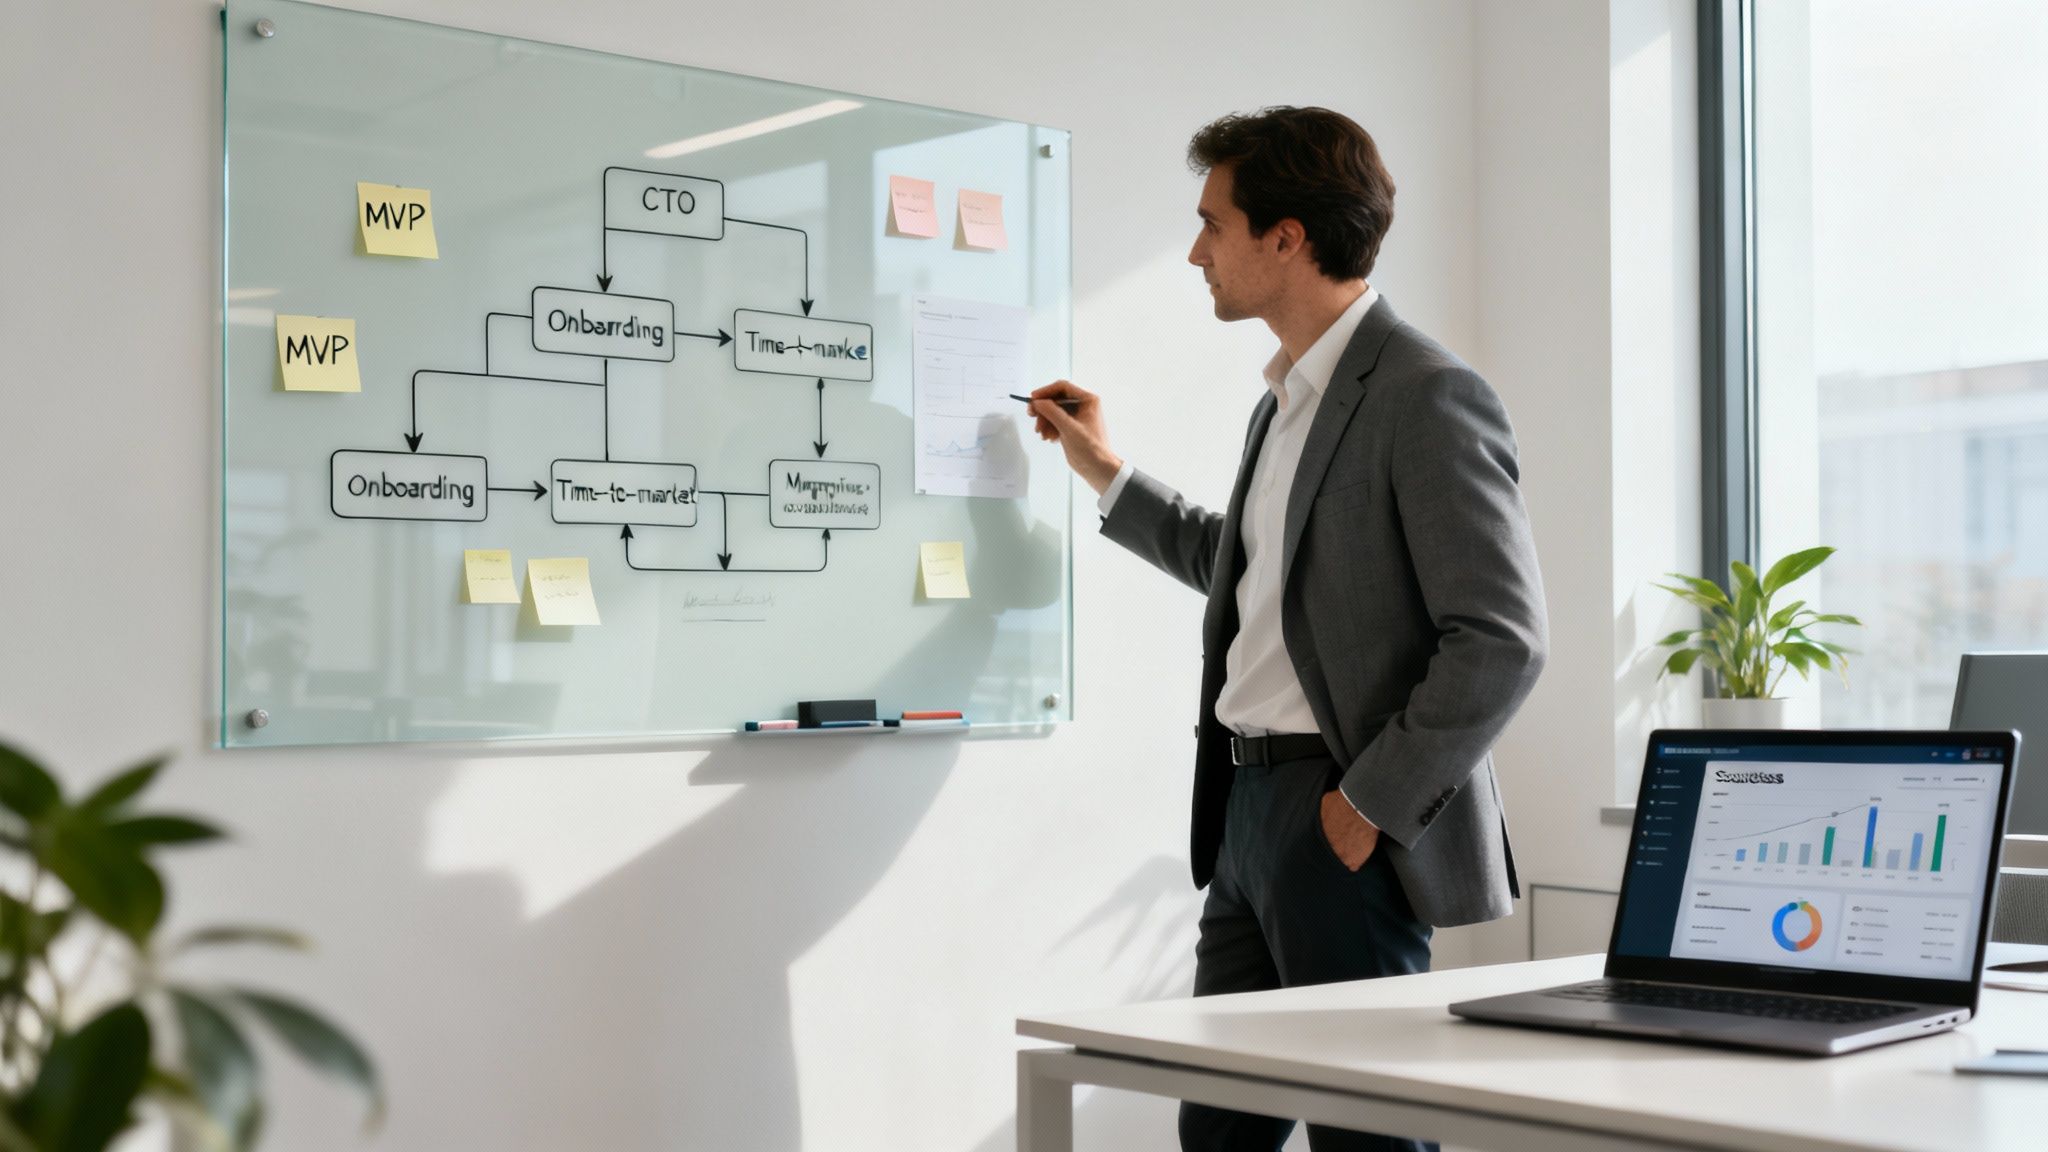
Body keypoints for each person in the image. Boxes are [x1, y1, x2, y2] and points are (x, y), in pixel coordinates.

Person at [1029, 106, 1548, 1152]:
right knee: (1218, 1135)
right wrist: (1101, 469)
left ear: (1285, 237)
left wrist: (1365, 806)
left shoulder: (1425, 393)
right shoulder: (1283, 403)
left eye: (1212, 223)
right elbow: (1244, 567)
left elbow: (1499, 638)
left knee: (1371, 1139)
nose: (1193, 251)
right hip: (1246, 814)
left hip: (1336, 818)